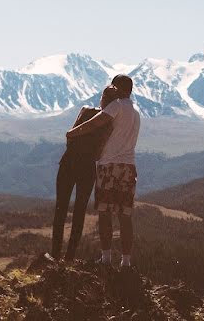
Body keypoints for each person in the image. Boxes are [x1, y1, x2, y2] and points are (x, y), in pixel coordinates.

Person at [66, 74, 140, 268]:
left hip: (109, 166)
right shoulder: (136, 112)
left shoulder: (116, 106)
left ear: (118, 88)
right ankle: (126, 261)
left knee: (105, 213)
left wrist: (72, 132)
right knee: (125, 215)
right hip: (129, 167)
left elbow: (94, 124)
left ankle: (106, 259)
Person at [49, 85, 118, 261]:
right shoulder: (110, 123)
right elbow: (100, 150)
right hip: (87, 167)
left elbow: (70, 135)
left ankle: (55, 253)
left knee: (61, 208)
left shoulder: (85, 110)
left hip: (69, 161)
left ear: (103, 98)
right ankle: (70, 255)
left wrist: (74, 143)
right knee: (79, 211)